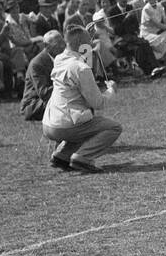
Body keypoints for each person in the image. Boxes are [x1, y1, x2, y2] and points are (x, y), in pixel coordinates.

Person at [41, 25, 122, 173]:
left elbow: (78, 53)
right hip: (65, 126)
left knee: (84, 124)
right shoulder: (80, 68)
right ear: (80, 42)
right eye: (88, 40)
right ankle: (83, 158)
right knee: (113, 127)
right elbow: (98, 103)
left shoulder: (59, 59)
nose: (91, 43)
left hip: (49, 124)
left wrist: (83, 34)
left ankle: (62, 156)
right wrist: (111, 90)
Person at [22, 29, 64, 122]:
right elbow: (44, 93)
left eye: (63, 43)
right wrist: (65, 85)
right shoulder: (37, 64)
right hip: (34, 105)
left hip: (52, 99)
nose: (62, 47)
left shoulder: (62, 58)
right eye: (57, 45)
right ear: (46, 46)